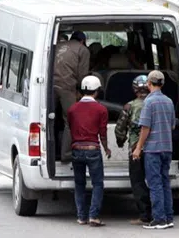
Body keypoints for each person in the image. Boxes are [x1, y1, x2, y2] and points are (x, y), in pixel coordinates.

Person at [132, 70, 176, 230]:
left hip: (153, 150)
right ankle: (168, 217)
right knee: (165, 183)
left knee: (155, 184)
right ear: (162, 84)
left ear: (149, 84)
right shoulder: (169, 101)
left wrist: (138, 148)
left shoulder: (148, 103)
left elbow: (145, 127)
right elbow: (172, 125)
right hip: (167, 148)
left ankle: (158, 219)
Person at [67, 75, 111, 227]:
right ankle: (93, 216)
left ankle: (81, 217)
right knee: (97, 184)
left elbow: (71, 127)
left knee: (79, 184)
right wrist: (106, 148)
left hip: (76, 149)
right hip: (93, 150)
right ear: (97, 91)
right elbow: (102, 133)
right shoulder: (101, 109)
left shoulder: (72, 109)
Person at [114, 75, 152, 225]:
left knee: (138, 182)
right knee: (155, 182)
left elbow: (120, 129)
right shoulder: (154, 103)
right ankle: (159, 212)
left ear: (135, 89)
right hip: (154, 148)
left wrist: (120, 142)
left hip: (136, 149)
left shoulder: (129, 106)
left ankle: (144, 215)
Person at [53, 30, 90, 162]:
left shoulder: (56, 46)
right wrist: (81, 92)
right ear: (82, 41)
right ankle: (66, 154)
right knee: (70, 120)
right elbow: (83, 76)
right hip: (67, 87)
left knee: (49, 119)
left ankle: (51, 153)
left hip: (49, 87)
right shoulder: (83, 50)